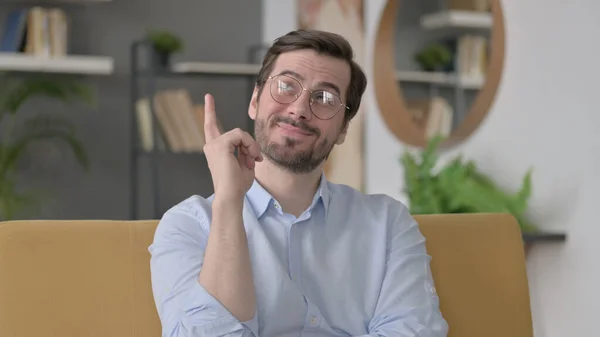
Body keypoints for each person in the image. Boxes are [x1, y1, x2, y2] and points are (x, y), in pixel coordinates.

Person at [148, 29, 448, 337]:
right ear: (255, 100)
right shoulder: (188, 225)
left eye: (325, 98)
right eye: (286, 86)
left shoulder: (388, 223)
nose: (299, 110)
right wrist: (228, 201)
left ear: (343, 127)